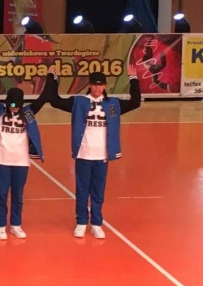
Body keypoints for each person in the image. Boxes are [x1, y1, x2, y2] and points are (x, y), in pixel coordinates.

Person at [48, 67, 141, 239]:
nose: (97, 88)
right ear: (90, 85)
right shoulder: (79, 102)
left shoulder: (113, 104)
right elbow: (54, 100)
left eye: (100, 85)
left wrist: (133, 79)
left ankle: (96, 224)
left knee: (98, 192)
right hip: (84, 154)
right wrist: (52, 77)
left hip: (102, 156)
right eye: (94, 85)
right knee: (82, 191)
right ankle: (81, 222)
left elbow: (135, 102)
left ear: (105, 86)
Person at [0, 61, 56, 240]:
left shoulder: (28, 112)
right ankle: (0, 225)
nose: (14, 107)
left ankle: (15, 225)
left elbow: (44, 96)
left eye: (17, 104)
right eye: (11, 104)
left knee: (18, 195)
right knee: (1, 194)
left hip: (21, 161)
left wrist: (51, 75)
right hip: (1, 159)